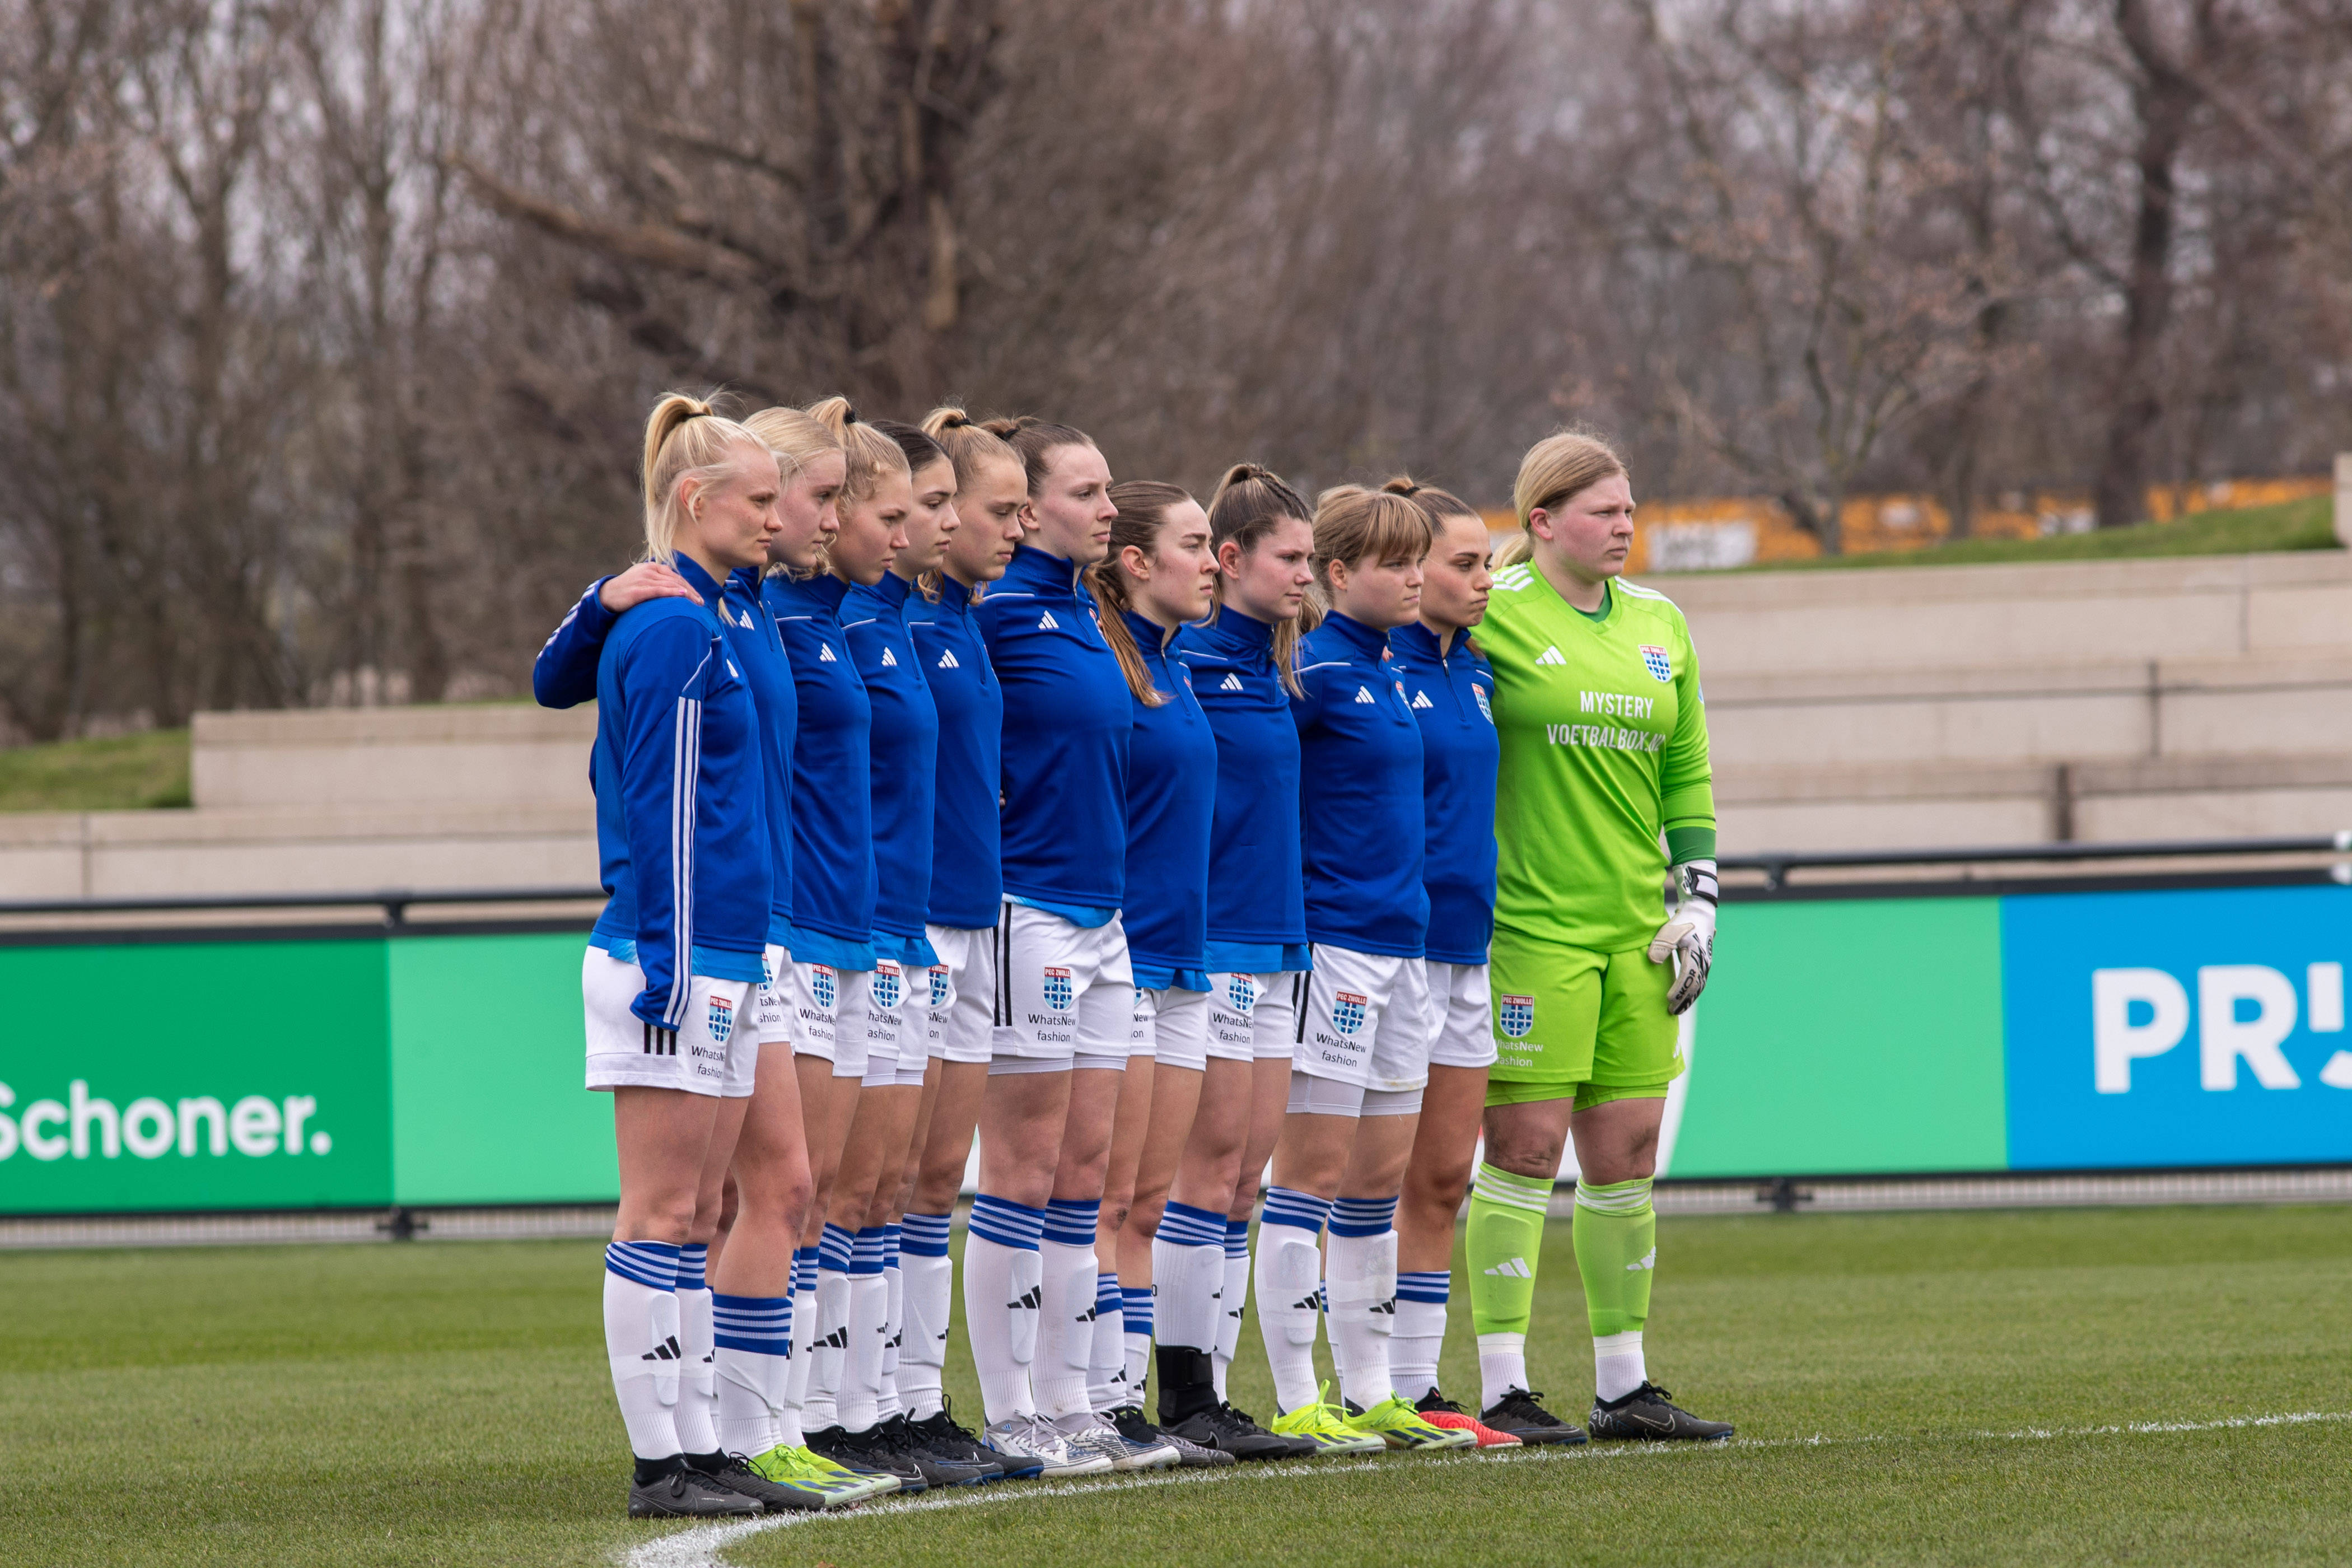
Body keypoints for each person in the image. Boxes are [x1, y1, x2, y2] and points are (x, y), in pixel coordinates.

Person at [1467, 428, 1732, 1443]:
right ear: (1541, 521)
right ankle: (1502, 1386)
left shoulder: (1661, 622)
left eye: (1630, 509)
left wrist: (1698, 900)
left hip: (1637, 933)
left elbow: (1687, 771)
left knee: (1627, 1156)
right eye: (1603, 511)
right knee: (1526, 1150)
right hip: (1528, 928)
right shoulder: (1491, 612)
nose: (1625, 526)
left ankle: (1624, 1385)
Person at [576, 394, 783, 1519]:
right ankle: (663, 1464)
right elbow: (664, 809)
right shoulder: (672, 631)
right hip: (675, 959)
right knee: (660, 1212)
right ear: (696, 501)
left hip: (722, 956)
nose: (775, 519)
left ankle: (702, 1446)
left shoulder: (715, 615)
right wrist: (673, 964)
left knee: (701, 1211)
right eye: (759, 500)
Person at [1249, 484, 1468, 1455]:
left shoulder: (1388, 669)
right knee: (1309, 1179)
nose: (1417, 577)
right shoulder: (1313, 673)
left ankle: (1373, 1390)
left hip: (1406, 951)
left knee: (1377, 1187)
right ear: (1338, 575)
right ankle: (1298, 1396)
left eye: (1422, 559)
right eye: (1396, 562)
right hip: (1335, 950)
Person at [963, 417, 1152, 1477]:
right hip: (1026, 909)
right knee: (1024, 1168)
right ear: (1029, 510)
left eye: (1108, 490)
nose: (1108, 508)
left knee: (1085, 1170)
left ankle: (1074, 1400)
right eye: (1086, 492)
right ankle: (1010, 1410)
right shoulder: (998, 613)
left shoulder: (1087, 611)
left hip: (1105, 917)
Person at [1154, 465, 1320, 1461]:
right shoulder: (1191, 659)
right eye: (1289, 558)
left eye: (1309, 559)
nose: (1305, 575)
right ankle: (1182, 1394)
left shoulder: (1273, 667)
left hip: (1276, 941)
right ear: (1231, 558)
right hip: (1212, 945)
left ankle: (1211, 1393)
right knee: (1206, 1172)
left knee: (1243, 1179)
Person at [1379, 479, 1546, 1449]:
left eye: (1490, 562)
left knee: (1444, 1178)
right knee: (1369, 1182)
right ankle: (1361, 1382)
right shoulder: (1366, 667)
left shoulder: (1477, 671)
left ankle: (1418, 1383)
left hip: (1466, 954)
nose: (1488, 580)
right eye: (1467, 564)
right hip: (1386, 954)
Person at [1082, 480, 1231, 1468]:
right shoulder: (1105, 663)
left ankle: (1126, 1401)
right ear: (1137, 562)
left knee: (1148, 1199)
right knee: (1102, 1197)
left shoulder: (1175, 664)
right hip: (1121, 959)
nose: (1212, 562)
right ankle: (1088, 1400)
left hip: (1185, 961)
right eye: (1195, 543)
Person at [894, 408, 1026, 1469]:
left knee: (937, 1179)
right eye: (993, 508)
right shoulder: (891, 618)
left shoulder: (968, 620)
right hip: (913, 923)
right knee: (880, 1183)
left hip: (976, 919)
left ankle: (915, 1402)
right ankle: (856, 1411)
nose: (1010, 529)